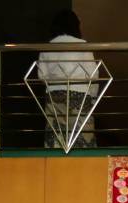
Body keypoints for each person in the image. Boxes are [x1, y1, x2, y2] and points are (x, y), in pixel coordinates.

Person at [35, 10, 99, 149]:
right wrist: (93, 99)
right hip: (80, 96)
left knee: (56, 139)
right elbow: (93, 75)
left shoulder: (47, 47)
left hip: (54, 97)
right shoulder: (83, 45)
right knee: (82, 139)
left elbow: (41, 75)